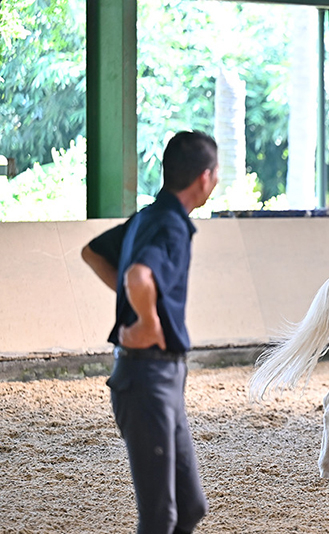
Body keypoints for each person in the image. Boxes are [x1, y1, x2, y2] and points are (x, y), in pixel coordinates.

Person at [81, 131, 219, 534]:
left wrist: (139, 302)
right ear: (205, 177)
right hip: (147, 378)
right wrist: (147, 321)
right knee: (160, 517)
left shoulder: (148, 217)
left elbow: (93, 252)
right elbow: (139, 276)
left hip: (159, 377)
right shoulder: (169, 225)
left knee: (189, 508)